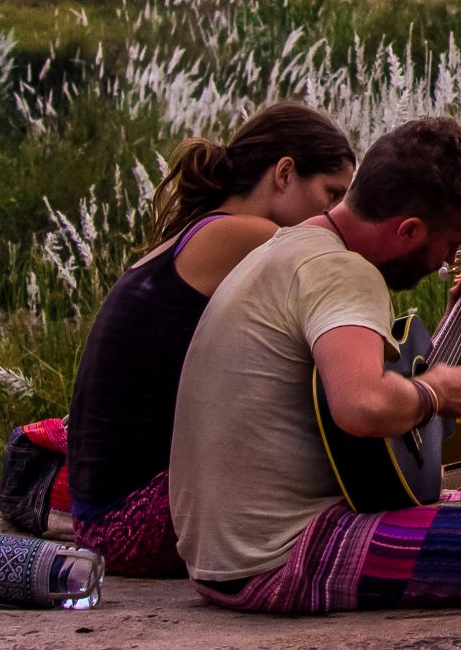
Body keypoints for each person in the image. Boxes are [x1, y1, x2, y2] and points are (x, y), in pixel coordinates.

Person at [169, 115, 461, 613]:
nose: (447, 261)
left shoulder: (285, 248)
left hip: (222, 561)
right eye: (451, 245)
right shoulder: (343, 271)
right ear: (409, 229)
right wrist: (439, 392)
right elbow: (360, 405)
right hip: (285, 559)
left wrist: (452, 353)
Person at [65, 102, 355, 577]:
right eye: (331, 194)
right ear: (284, 173)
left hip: (113, 517)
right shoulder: (250, 237)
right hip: (131, 523)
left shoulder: (203, 233)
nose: (335, 214)